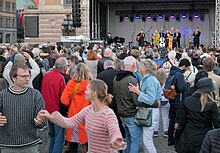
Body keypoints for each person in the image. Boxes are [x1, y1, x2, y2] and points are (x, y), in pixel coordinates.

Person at [38, 79, 126, 153]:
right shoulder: (88, 110)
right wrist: (50, 116)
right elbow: (69, 122)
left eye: (87, 89)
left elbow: (114, 130)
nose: (85, 92)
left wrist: (116, 139)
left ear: (94, 93)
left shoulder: (108, 114)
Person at [113, 56, 158, 153]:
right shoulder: (131, 80)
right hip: (131, 113)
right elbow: (137, 101)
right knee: (136, 140)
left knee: (128, 138)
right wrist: (154, 103)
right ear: (133, 65)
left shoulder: (116, 78)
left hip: (121, 112)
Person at [0, 64, 45, 153]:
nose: (28, 79)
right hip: (7, 146)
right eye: (24, 76)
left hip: (30, 145)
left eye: (28, 76)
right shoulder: (2, 95)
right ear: (13, 78)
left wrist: (40, 121)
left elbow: (42, 123)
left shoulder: (36, 95)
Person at [174, 77, 220, 153]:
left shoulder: (187, 100)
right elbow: (217, 124)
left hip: (188, 137)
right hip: (204, 138)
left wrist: (177, 139)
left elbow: (181, 123)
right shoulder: (211, 104)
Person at [128, 59, 161, 153]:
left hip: (150, 111)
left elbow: (151, 99)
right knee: (146, 140)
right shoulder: (148, 79)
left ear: (145, 69)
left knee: (147, 141)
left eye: (141, 66)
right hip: (148, 111)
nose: (139, 68)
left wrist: (138, 92)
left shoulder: (150, 80)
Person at [60, 63, 91, 153]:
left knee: (73, 143)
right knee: (87, 142)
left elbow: (64, 100)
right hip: (87, 117)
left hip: (73, 116)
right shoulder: (90, 85)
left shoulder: (70, 83)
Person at [41, 57, 69, 153]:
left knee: (53, 136)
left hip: (47, 109)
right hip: (57, 111)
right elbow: (64, 97)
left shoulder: (46, 76)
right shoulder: (61, 78)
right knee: (59, 138)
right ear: (64, 67)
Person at [167, 58, 191, 146]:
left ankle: (170, 138)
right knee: (179, 120)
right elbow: (181, 88)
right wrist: (187, 85)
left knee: (172, 119)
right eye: (187, 68)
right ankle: (177, 139)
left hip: (172, 98)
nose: (187, 70)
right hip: (179, 99)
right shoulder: (180, 75)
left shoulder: (172, 72)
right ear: (184, 66)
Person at [154, 68, 170, 138]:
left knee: (157, 115)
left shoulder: (155, 81)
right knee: (165, 115)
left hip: (157, 99)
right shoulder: (167, 81)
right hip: (165, 99)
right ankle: (166, 131)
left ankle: (155, 131)